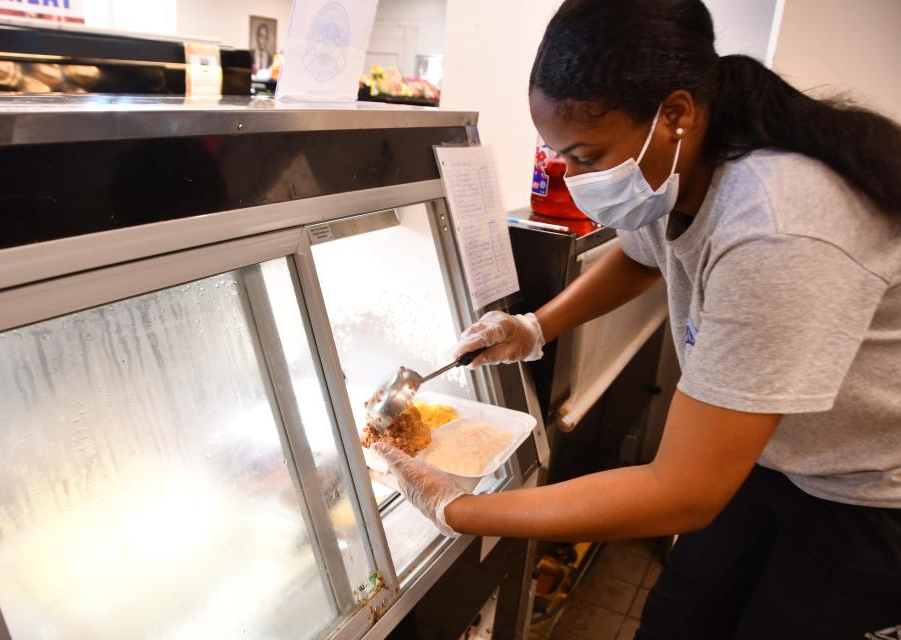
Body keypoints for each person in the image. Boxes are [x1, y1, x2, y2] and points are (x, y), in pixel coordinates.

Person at [372, 0, 901, 637]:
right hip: (775, 457)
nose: (571, 178)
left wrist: (459, 508)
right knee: (679, 620)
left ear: (675, 114)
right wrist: (535, 327)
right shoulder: (686, 165)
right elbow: (642, 257)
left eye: (587, 157)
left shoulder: (779, 228)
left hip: (872, 494)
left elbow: (683, 490)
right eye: (559, 156)